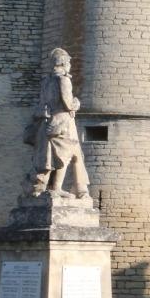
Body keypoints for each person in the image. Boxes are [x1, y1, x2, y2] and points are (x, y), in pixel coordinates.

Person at [27, 48, 90, 199]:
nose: (70, 65)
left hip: (48, 121)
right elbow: (68, 104)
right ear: (64, 63)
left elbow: (43, 103)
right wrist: (76, 103)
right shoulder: (63, 80)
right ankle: (57, 188)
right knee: (65, 155)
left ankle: (77, 188)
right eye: (68, 62)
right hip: (63, 121)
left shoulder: (46, 81)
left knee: (54, 156)